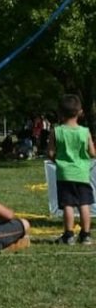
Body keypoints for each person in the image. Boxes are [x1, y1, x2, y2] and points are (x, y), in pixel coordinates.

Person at [47, 94, 96, 245]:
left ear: (60, 113)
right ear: (80, 112)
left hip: (64, 174)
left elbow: (50, 152)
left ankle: (68, 235)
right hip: (82, 173)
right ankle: (86, 235)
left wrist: (58, 161)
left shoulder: (56, 131)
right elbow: (92, 153)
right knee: (84, 204)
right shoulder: (85, 131)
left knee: (67, 205)